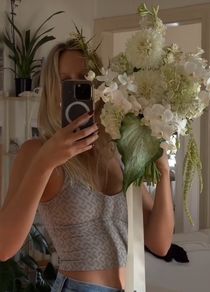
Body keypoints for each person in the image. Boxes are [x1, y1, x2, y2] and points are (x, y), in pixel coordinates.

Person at [0, 39, 175, 292]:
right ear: (53, 90)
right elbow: (4, 247)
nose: (75, 86)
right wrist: (45, 162)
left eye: (84, 77)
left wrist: (162, 169)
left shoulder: (118, 150)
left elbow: (160, 244)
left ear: (100, 85)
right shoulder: (37, 151)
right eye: (64, 80)